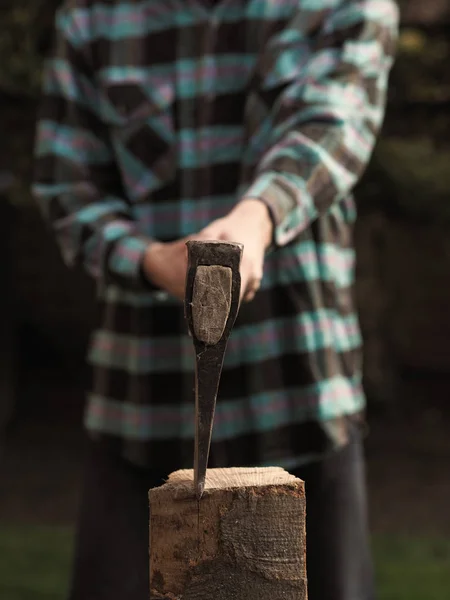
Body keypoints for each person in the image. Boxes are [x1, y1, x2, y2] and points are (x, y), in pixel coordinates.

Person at [32, 0, 398, 598]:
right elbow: (65, 185)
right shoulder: (95, 16)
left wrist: (256, 222)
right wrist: (150, 261)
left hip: (300, 395)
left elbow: (333, 127)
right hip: (141, 405)